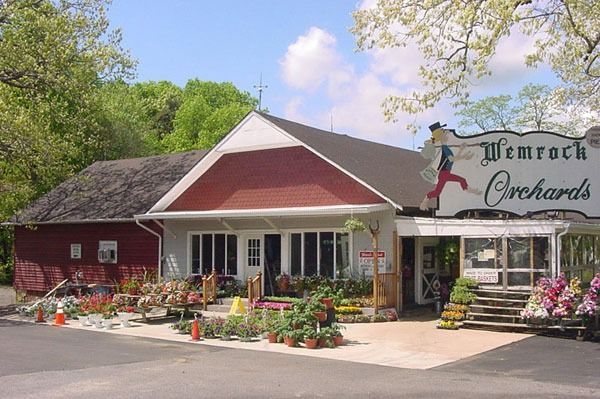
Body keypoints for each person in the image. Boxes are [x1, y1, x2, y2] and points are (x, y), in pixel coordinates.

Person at [420, 122, 481, 211]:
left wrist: (461, 150)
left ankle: (470, 190)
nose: (447, 136)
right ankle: (470, 190)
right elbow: (452, 159)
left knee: (439, 191)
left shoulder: (445, 147)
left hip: (445, 173)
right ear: (441, 137)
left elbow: (452, 159)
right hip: (444, 173)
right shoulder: (444, 148)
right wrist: (464, 156)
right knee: (441, 190)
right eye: (445, 134)